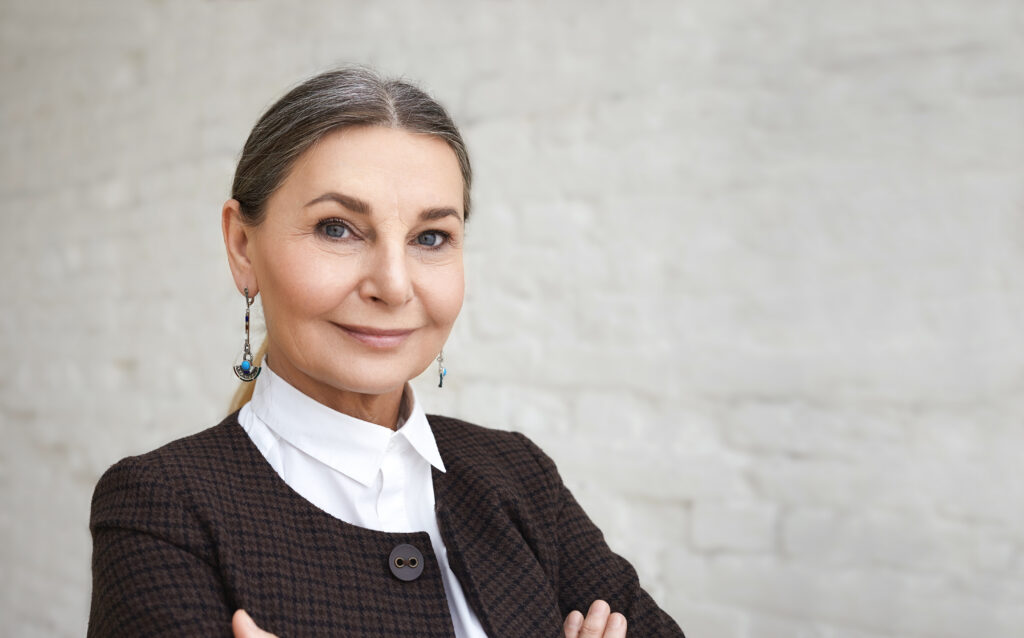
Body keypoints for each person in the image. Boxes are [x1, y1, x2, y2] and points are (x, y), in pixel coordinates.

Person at [87, 66, 685, 638]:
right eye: (337, 228)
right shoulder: (161, 508)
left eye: (431, 238)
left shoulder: (518, 476)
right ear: (243, 246)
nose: (394, 285)